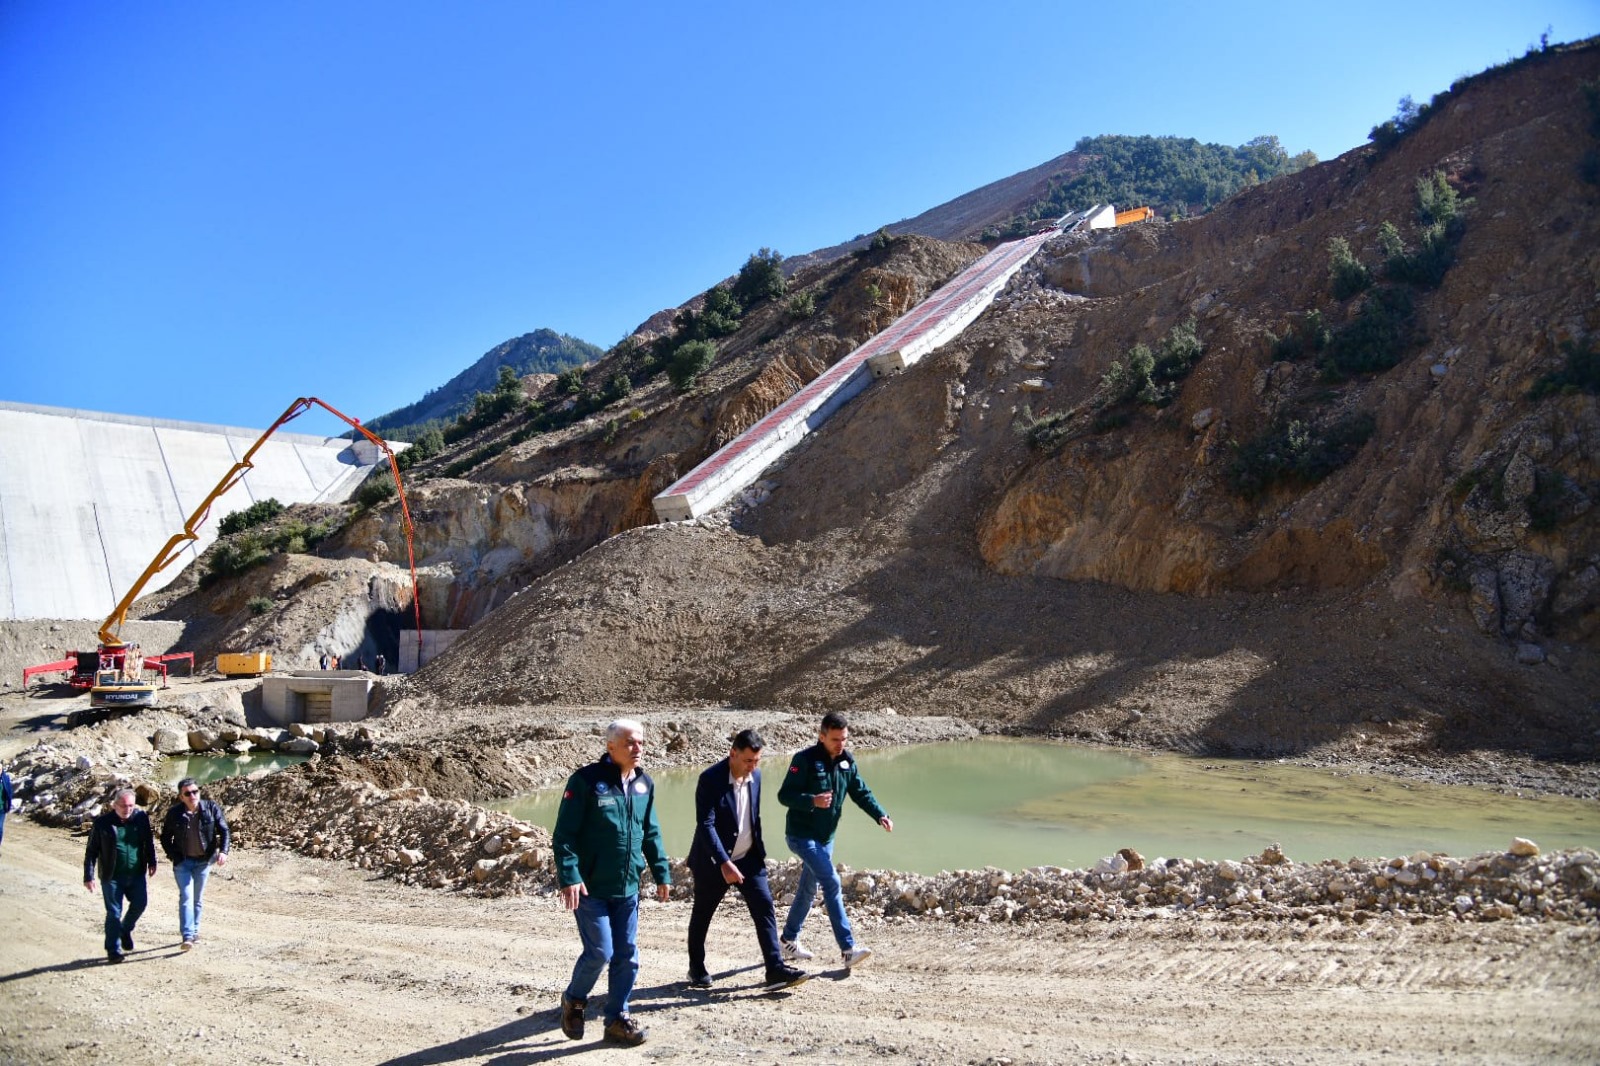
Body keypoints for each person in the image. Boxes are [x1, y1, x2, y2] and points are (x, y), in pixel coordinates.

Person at [552, 719, 672, 1047]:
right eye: (631, 743)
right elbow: (564, 836)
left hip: (628, 887)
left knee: (627, 955)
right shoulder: (587, 781)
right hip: (591, 888)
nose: (638, 749)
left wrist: (661, 871)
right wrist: (570, 876)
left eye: (641, 743)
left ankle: (617, 1019)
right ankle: (574, 1001)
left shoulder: (644, 783)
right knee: (600, 952)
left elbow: (651, 831)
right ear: (611, 746)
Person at [686, 729, 808, 992]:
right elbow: (705, 824)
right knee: (703, 913)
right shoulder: (710, 779)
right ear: (733, 754)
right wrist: (723, 861)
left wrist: (756, 851)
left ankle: (774, 970)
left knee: (765, 908)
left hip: (748, 858)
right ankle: (696, 968)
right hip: (712, 861)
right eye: (747, 761)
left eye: (757, 761)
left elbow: (752, 815)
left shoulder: (757, 776)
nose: (753, 767)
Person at [777, 712, 893, 970]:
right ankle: (848, 949)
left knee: (808, 889)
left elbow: (861, 792)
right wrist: (811, 800)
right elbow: (784, 795)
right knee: (831, 882)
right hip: (801, 835)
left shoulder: (846, 762)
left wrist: (880, 814)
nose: (841, 744)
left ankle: (787, 939)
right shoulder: (804, 760)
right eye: (835, 739)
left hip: (825, 838)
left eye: (844, 739)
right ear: (822, 736)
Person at [83, 788, 158, 963]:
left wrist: (152, 861)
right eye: (124, 806)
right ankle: (113, 950)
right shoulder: (103, 823)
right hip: (112, 877)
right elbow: (91, 851)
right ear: (114, 805)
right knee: (114, 913)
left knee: (140, 904)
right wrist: (89, 875)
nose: (127, 809)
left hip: (136, 873)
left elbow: (148, 841)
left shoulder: (140, 819)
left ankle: (125, 929)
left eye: (131, 805)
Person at [159, 777, 230, 950]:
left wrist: (223, 851)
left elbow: (224, 830)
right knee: (186, 897)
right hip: (182, 862)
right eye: (187, 793)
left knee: (197, 899)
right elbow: (165, 837)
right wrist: (172, 856)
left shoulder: (211, 808)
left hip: (203, 862)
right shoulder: (174, 813)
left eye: (195, 791)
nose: (192, 795)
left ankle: (195, 930)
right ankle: (188, 935)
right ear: (181, 796)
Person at [0, 759, 13, 856]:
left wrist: (9, 804)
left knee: (0, 829)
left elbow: (9, 792)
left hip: (1, 808)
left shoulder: (5, 779)